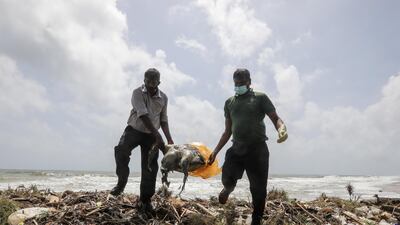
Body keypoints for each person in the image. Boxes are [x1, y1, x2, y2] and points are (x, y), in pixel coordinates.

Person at [208, 68, 288, 225]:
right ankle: (228, 189)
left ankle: (256, 220)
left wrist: (282, 129)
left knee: (258, 190)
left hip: (257, 150)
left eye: (242, 83)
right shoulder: (229, 103)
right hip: (237, 148)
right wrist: (215, 151)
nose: (238, 85)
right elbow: (227, 131)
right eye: (236, 83)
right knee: (227, 175)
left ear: (249, 82)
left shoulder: (260, 98)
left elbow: (275, 118)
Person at [110, 68, 174, 213]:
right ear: (144, 80)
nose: (151, 85)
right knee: (121, 151)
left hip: (151, 136)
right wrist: (158, 135)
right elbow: (142, 115)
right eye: (148, 81)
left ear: (159, 82)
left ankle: (145, 200)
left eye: (154, 82)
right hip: (134, 130)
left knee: (150, 167)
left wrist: (169, 138)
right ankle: (121, 183)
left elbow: (163, 120)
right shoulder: (137, 92)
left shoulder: (163, 98)